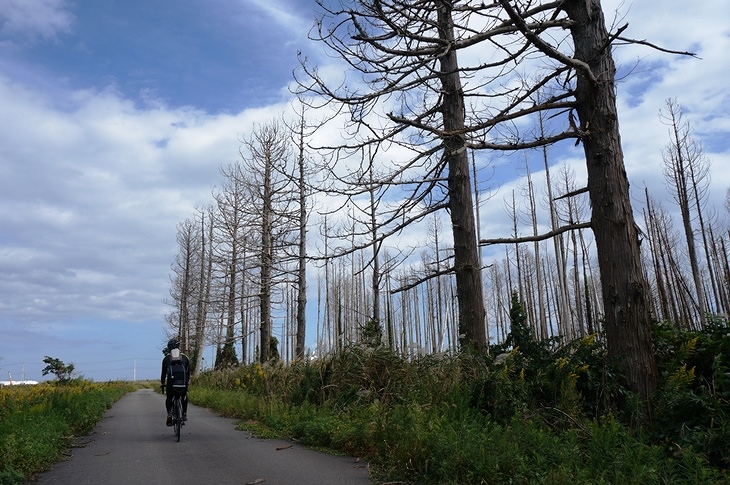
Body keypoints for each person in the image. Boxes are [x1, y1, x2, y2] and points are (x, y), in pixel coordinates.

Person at [160, 338, 190, 426]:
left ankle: (169, 413)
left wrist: (162, 383)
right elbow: (188, 372)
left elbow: (163, 373)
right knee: (184, 396)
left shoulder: (166, 359)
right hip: (183, 382)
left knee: (169, 397)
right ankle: (184, 414)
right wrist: (187, 382)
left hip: (171, 383)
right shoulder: (185, 358)